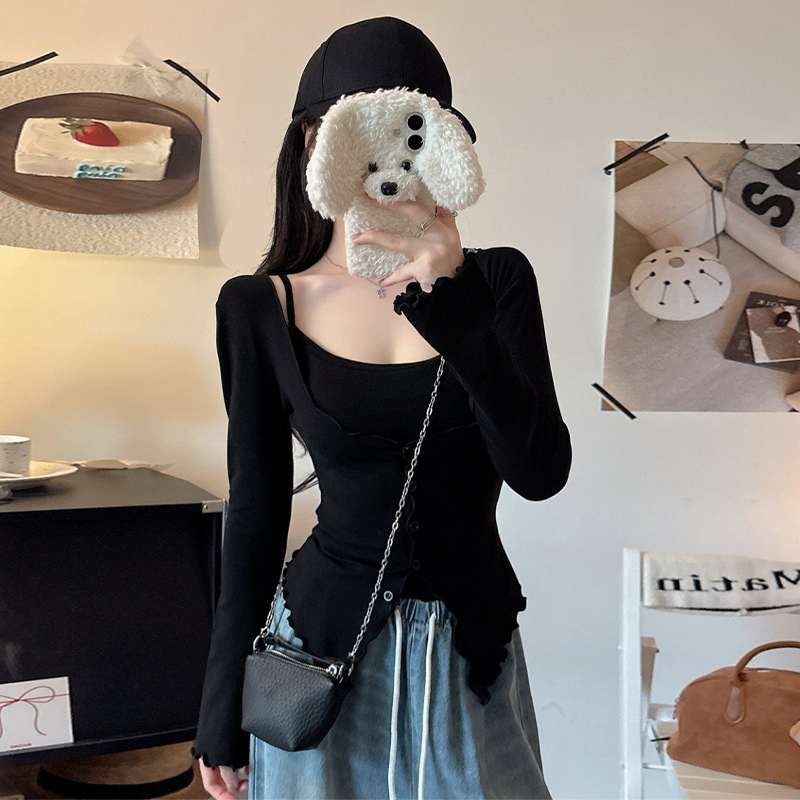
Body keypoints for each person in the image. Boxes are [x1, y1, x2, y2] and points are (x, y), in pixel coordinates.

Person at [191, 15, 572, 800]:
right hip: (319, 646)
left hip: (471, 648)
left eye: (414, 130)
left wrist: (455, 309)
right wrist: (219, 707)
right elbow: (256, 511)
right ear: (311, 143)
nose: (387, 158)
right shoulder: (260, 306)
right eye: (360, 130)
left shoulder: (497, 281)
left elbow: (539, 473)